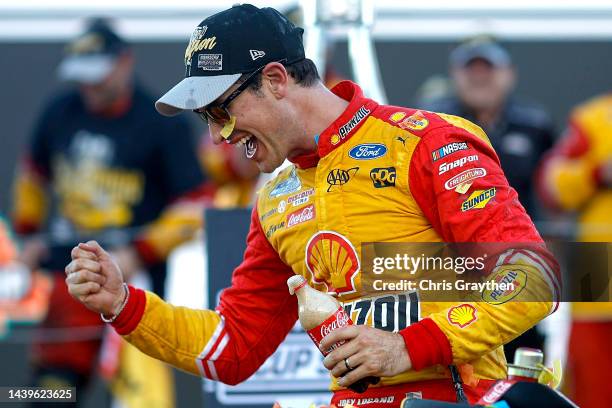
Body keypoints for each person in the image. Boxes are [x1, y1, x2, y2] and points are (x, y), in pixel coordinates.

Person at [65, 5, 560, 407]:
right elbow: (232, 349)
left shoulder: (426, 143)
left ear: (277, 80)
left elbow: (535, 277)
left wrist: (406, 347)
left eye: (221, 111)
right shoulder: (276, 201)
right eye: (206, 120)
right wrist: (124, 306)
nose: (217, 136)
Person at [11, 18, 206, 405]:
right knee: (47, 393)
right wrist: (28, 235)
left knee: (140, 399)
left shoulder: (160, 124)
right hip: (68, 278)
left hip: (136, 285)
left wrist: (139, 253)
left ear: (125, 63)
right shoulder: (60, 112)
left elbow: (196, 205)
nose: (89, 87)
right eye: (81, 77)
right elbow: (31, 175)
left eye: (97, 76)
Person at [421, 37, 556, 220]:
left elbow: (554, 197)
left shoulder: (534, 124)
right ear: (453, 73)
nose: (479, 78)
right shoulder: (434, 122)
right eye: (471, 71)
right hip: (451, 240)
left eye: (488, 70)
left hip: (521, 238)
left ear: (510, 73)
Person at [536, 94, 612, 408]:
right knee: (593, 391)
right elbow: (552, 186)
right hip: (599, 281)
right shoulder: (596, 118)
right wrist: (596, 173)